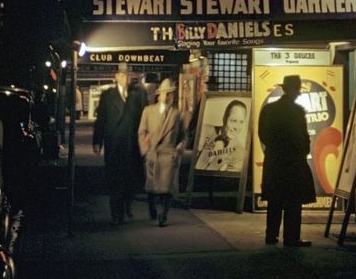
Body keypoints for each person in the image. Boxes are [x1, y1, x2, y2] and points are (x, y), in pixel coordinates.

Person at [258, 74, 316, 247]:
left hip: (274, 160)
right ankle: (291, 237)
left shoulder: (269, 109)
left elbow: (262, 133)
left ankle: (271, 235)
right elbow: (303, 137)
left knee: (275, 200)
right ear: (293, 90)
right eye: (298, 89)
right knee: (293, 202)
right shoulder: (297, 111)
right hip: (293, 162)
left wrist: (273, 148)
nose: (298, 93)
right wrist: (302, 152)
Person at [92, 64, 148, 225]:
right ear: (116, 76)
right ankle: (116, 214)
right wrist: (97, 141)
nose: (126, 79)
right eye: (123, 76)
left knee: (130, 180)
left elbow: (144, 118)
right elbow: (101, 119)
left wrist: (146, 137)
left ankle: (126, 204)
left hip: (132, 145)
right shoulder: (107, 95)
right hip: (114, 144)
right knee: (115, 181)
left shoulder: (138, 94)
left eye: (128, 76)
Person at [138, 78, 186, 227]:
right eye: (164, 93)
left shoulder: (176, 114)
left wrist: (179, 149)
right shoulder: (148, 111)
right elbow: (141, 132)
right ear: (158, 95)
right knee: (152, 188)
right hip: (153, 154)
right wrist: (145, 151)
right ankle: (152, 207)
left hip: (168, 155)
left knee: (166, 189)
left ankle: (163, 215)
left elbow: (183, 136)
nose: (167, 96)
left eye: (170, 93)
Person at [195, 99, 247, 172]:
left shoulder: (239, 154)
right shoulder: (204, 130)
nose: (236, 127)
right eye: (233, 121)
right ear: (224, 119)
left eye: (241, 122)